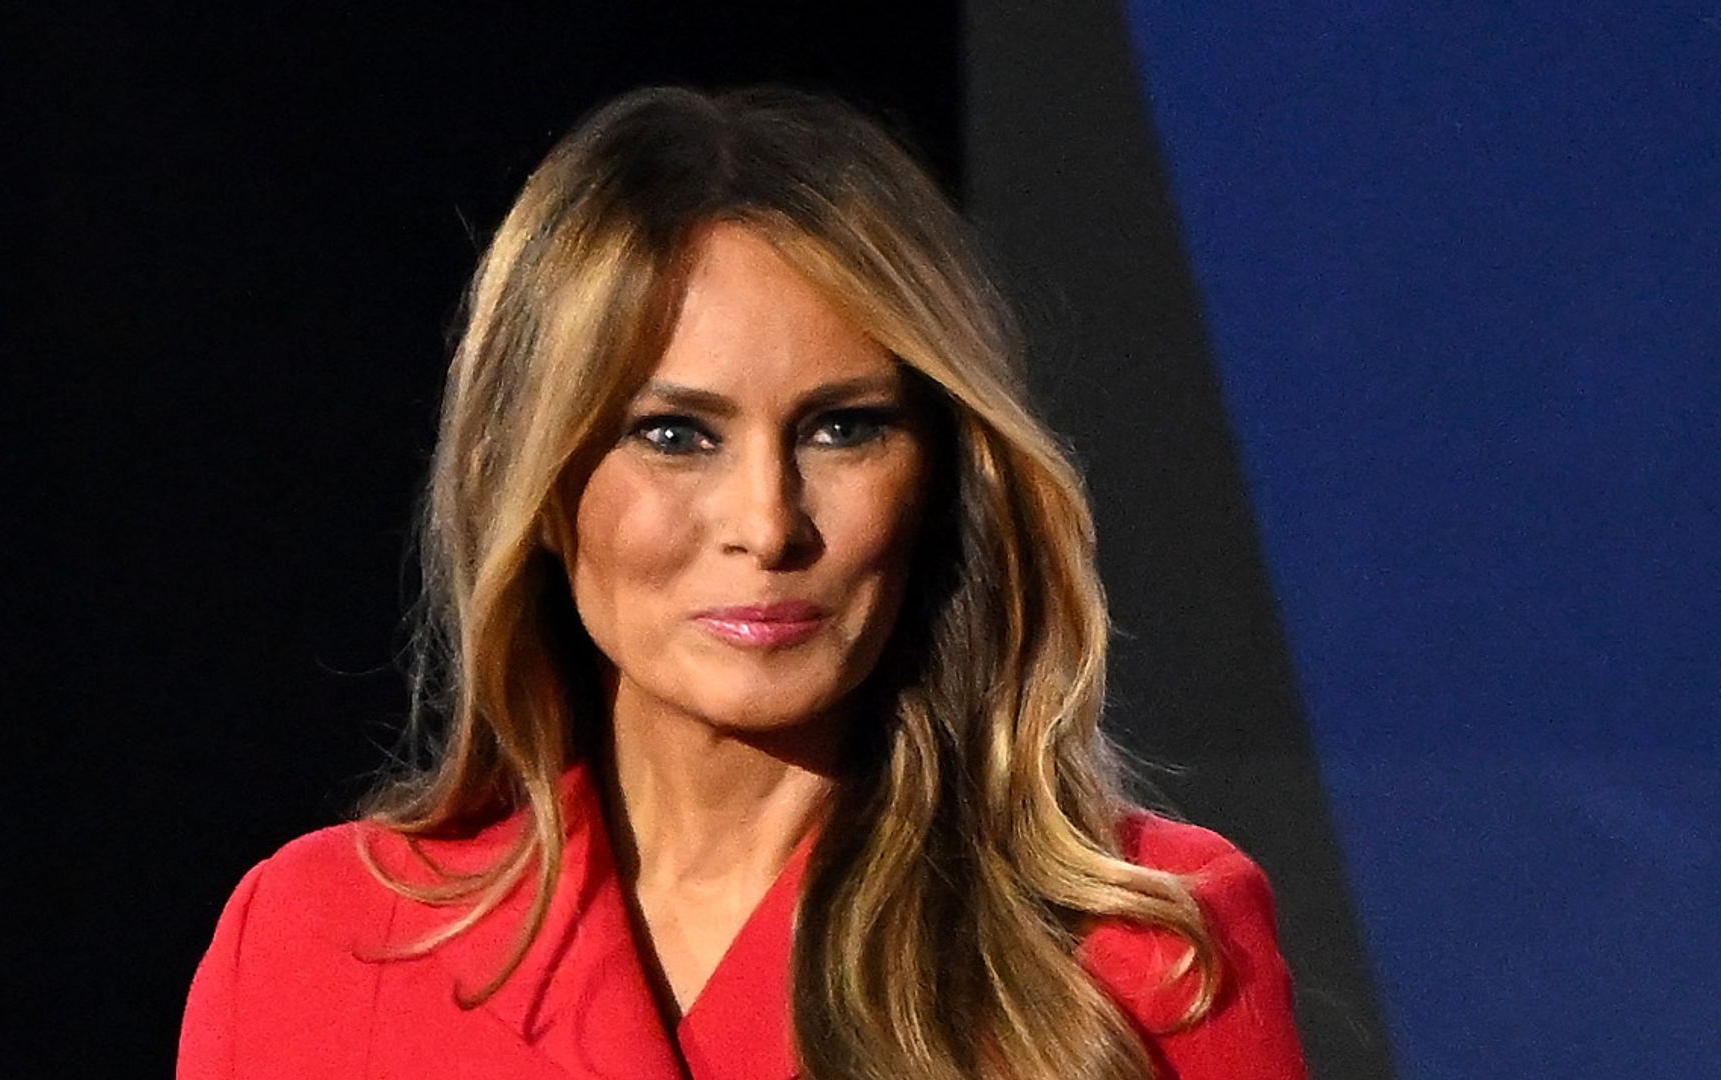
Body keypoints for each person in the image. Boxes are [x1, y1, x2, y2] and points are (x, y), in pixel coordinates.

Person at [178, 85, 1309, 1080]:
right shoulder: (321, 943)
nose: (768, 525)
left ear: (940, 476)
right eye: (674, 435)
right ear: (536, 480)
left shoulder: (1150, 949)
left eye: (843, 428)